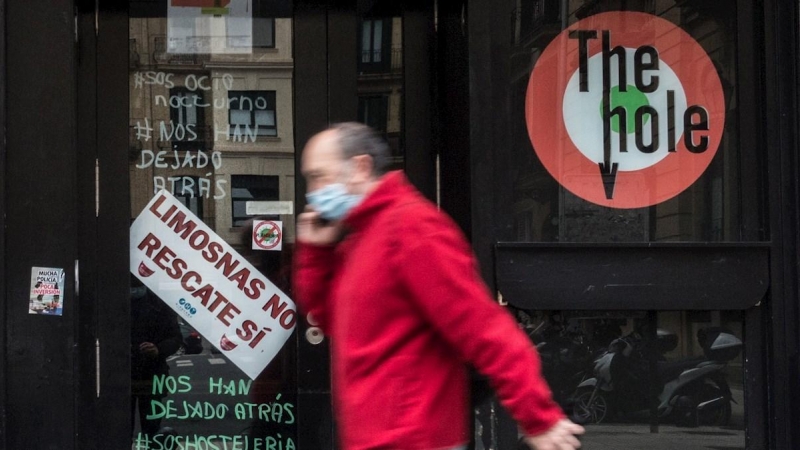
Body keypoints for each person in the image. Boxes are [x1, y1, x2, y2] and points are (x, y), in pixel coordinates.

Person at [294, 122, 584, 450]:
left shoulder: (412, 228)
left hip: (416, 439)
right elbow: (329, 319)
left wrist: (537, 417)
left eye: (319, 176)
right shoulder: (360, 239)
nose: (313, 192)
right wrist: (315, 253)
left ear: (360, 167)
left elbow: (482, 329)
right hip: (378, 439)